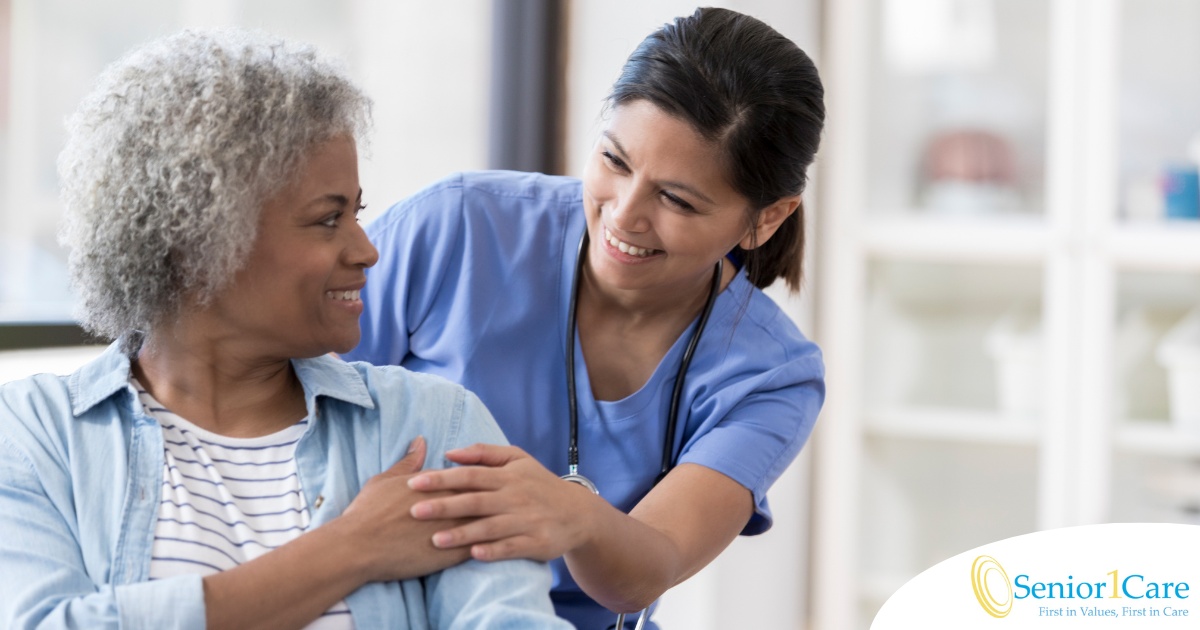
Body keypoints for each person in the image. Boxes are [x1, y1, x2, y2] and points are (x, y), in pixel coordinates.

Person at [0, 28, 570, 630]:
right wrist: (351, 548)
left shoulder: (432, 427)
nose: (367, 250)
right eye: (328, 220)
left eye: (358, 212)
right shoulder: (40, 435)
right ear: (201, 246)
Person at [343, 7, 826, 629]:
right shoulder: (461, 227)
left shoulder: (772, 376)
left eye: (676, 199)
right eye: (615, 162)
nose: (624, 216)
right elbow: (288, 393)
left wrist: (572, 514)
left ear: (768, 217)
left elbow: (648, 569)